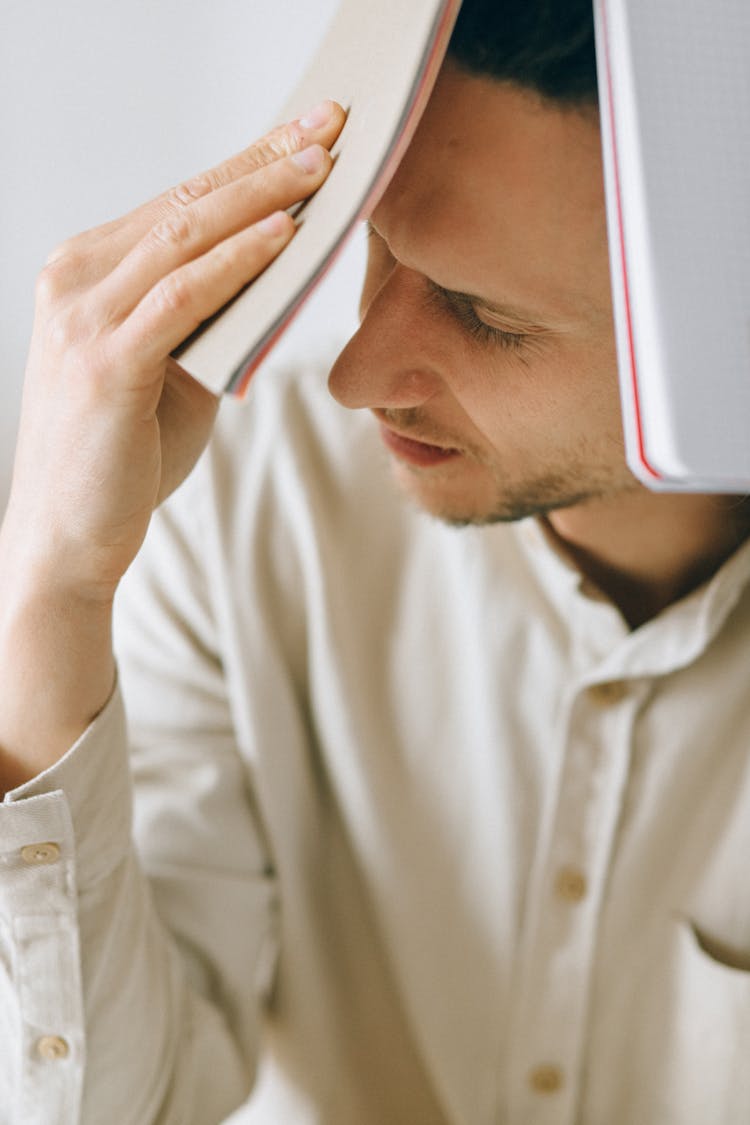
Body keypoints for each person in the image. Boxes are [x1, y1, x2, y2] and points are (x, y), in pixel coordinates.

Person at [2, 1, 750, 1122]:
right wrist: (54, 583)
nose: (358, 375)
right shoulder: (243, 509)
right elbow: (113, 1105)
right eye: (380, 249)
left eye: (484, 317)